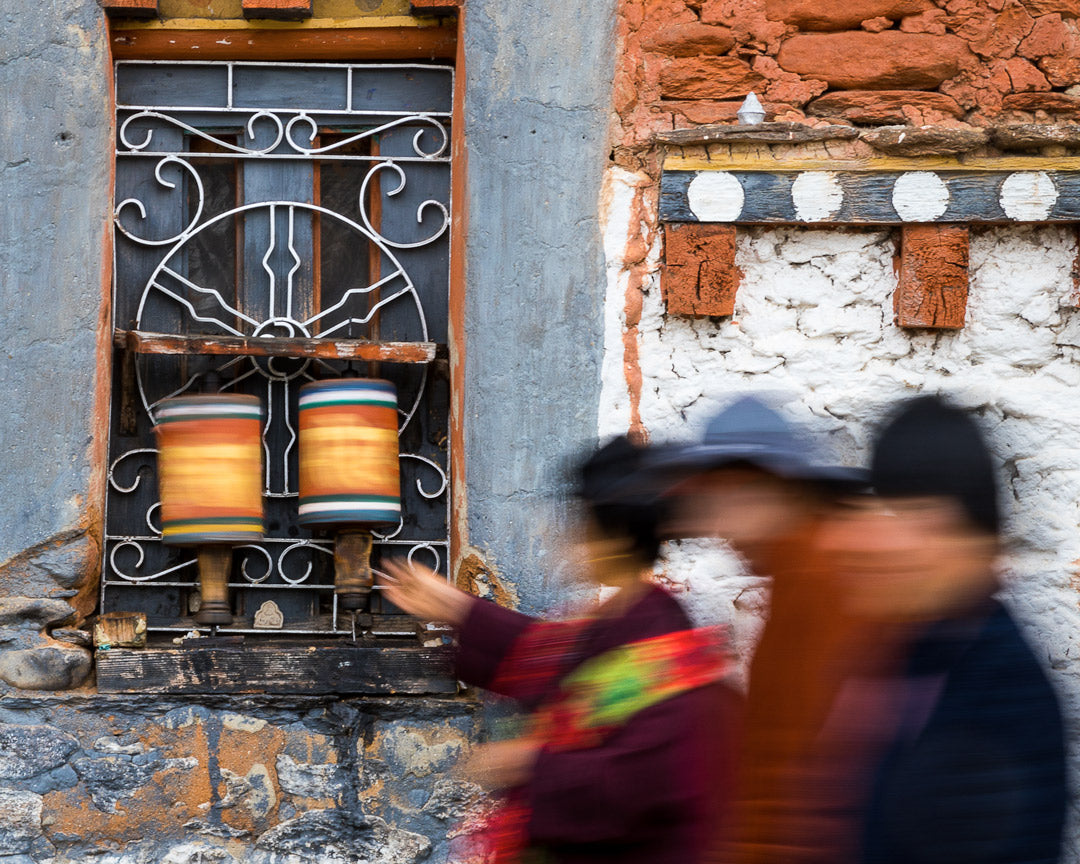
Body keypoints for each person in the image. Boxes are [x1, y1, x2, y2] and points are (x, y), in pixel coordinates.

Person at [382, 435, 739, 864]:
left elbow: (637, 784)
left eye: (581, 524)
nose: (568, 537)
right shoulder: (621, 624)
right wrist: (456, 607)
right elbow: (552, 656)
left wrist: (530, 764)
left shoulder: (672, 660)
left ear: (615, 539)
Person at [812, 395, 1068, 864]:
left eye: (920, 516)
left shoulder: (1001, 688)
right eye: (894, 513)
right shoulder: (908, 651)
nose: (885, 542)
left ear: (975, 538)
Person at [654, 395, 876, 864]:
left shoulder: (819, 587)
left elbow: (799, 778)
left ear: (767, 489)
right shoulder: (804, 573)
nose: (719, 528)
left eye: (724, 500)